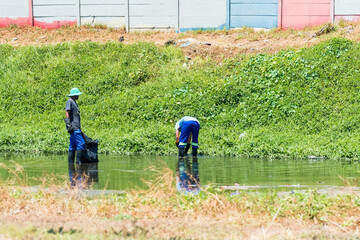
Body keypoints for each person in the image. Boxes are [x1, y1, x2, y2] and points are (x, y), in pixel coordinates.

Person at [65, 88, 85, 165]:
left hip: (75, 127)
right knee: (81, 143)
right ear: (74, 95)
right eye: (78, 95)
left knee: (73, 145)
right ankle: (78, 163)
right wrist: (68, 125)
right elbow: (67, 113)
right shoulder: (69, 101)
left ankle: (71, 165)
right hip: (74, 127)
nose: (78, 96)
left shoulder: (74, 102)